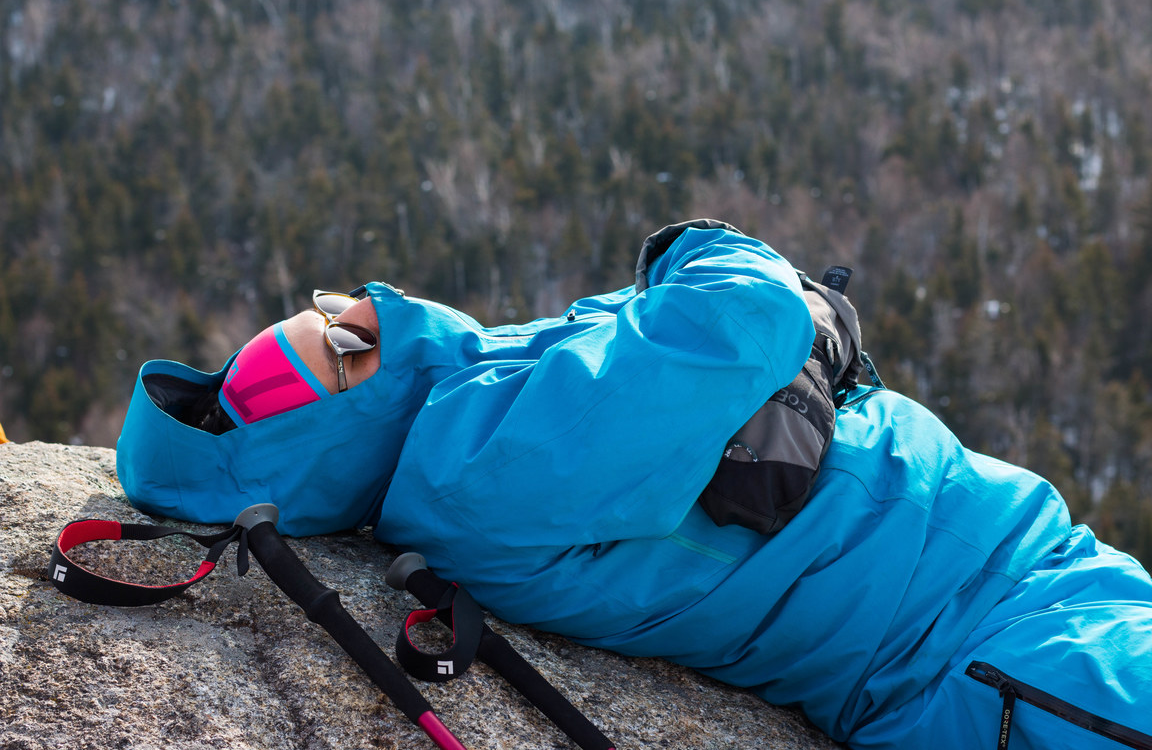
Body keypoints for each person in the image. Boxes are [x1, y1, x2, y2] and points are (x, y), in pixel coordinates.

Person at [117, 221, 1152, 750]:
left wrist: (792, 346)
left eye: (320, 309)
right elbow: (738, 314)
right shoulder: (478, 469)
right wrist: (715, 255)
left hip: (1037, 590)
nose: (357, 308)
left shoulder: (490, 398)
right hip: (987, 650)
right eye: (338, 343)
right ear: (349, 418)